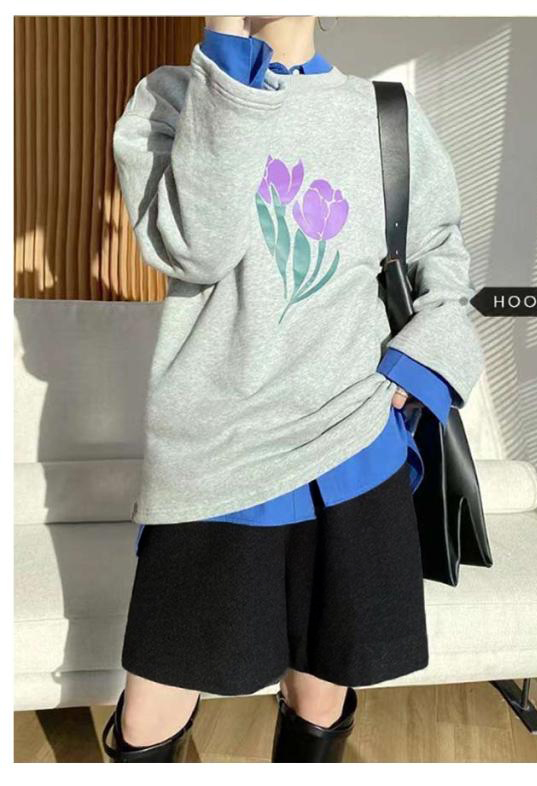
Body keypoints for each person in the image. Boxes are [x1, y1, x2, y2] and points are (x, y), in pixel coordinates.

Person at [101, 15, 485, 763]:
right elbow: (197, 248)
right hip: (216, 454)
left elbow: (443, 259)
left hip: (354, 446)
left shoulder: (387, 114)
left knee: (320, 698)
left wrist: (415, 371)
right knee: (150, 716)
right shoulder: (173, 99)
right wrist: (227, 62)